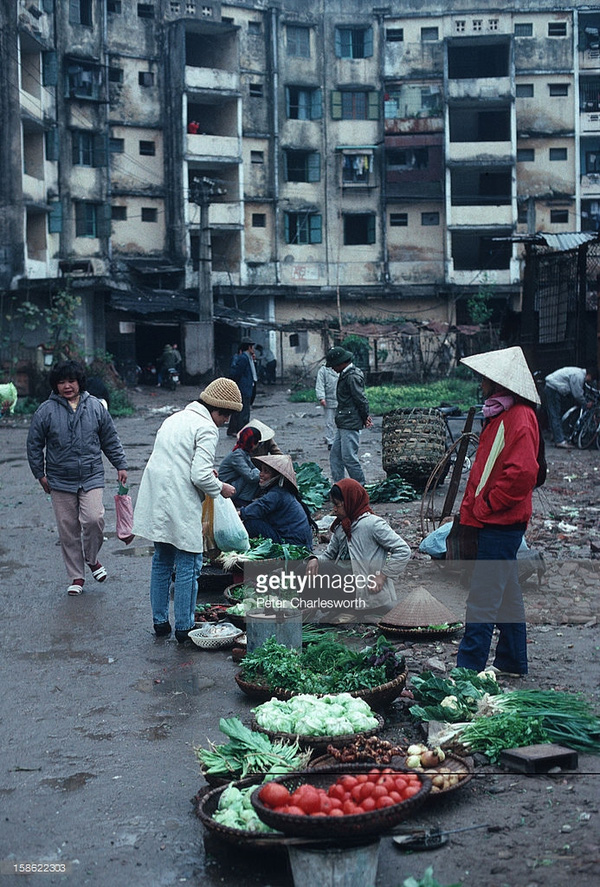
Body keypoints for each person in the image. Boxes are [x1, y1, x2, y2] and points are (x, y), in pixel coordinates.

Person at [454, 345, 543, 677]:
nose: (480, 383)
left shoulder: (518, 417)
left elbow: (521, 475)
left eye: (484, 379)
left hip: (500, 521)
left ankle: (466, 672)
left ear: (499, 383)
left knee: (482, 599)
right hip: (498, 519)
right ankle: (512, 662)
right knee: (506, 596)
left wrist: (485, 506)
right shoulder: (501, 414)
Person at [132, 378, 242, 642]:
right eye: (226, 416)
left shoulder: (174, 418)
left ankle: (160, 622)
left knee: (161, 560)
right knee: (188, 564)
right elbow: (200, 476)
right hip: (179, 499)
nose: (226, 422)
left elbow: (177, 460)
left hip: (158, 495)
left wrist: (207, 476)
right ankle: (184, 626)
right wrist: (221, 488)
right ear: (219, 410)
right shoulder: (206, 427)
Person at [26, 359, 128, 596]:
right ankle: (77, 576)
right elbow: (34, 444)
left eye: (71, 381)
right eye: (61, 382)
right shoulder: (45, 411)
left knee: (94, 519)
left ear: (79, 382)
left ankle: (92, 558)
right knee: (68, 529)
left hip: (91, 475)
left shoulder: (94, 407)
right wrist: (40, 475)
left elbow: (109, 438)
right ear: (55, 385)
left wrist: (120, 464)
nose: (67, 386)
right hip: (59, 479)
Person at [305, 479, 411, 621]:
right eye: (334, 505)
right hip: (344, 582)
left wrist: (382, 576)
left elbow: (403, 550)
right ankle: (321, 606)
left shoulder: (372, 524)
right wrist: (314, 559)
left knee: (327, 569)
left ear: (351, 501)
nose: (334, 510)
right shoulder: (341, 527)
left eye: (338, 505)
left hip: (364, 586)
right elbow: (329, 554)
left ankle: (351, 609)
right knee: (305, 567)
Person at [239, 454, 314, 550]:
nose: (261, 474)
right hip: (297, 541)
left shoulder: (277, 494)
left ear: (277, 476)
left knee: (251, 524)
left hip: (292, 545)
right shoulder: (282, 492)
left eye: (266, 471)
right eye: (261, 470)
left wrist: (239, 514)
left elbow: (260, 507)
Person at [325, 345, 372, 485]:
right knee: (335, 456)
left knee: (348, 457)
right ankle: (339, 486)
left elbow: (361, 399)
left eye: (334, 365)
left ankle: (360, 487)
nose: (332, 368)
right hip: (344, 421)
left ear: (341, 363)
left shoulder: (352, 377)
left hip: (350, 422)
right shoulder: (346, 374)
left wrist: (365, 416)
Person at [544, 365, 597, 448]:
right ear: (589, 375)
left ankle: (556, 436)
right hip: (553, 389)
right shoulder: (579, 376)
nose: (589, 381)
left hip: (554, 387)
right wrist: (586, 403)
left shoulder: (578, 373)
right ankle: (559, 441)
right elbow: (577, 394)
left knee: (555, 414)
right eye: (591, 379)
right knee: (555, 415)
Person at [218, 426, 261, 508]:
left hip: (234, 483)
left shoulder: (243, 452)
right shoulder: (237, 455)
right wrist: (261, 472)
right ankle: (242, 500)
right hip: (227, 488)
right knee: (254, 477)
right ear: (253, 443)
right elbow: (250, 476)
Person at [227, 337, 257, 437]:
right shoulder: (243, 358)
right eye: (252, 347)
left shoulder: (248, 358)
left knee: (244, 410)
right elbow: (238, 374)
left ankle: (240, 430)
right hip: (243, 388)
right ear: (249, 347)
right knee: (243, 412)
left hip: (248, 387)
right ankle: (241, 431)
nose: (253, 349)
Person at [315, 363, 338, 450]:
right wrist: (321, 397)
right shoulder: (323, 370)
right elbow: (320, 384)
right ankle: (330, 441)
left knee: (342, 422)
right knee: (329, 422)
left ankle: (341, 441)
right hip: (329, 399)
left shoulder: (343, 367)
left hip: (342, 399)